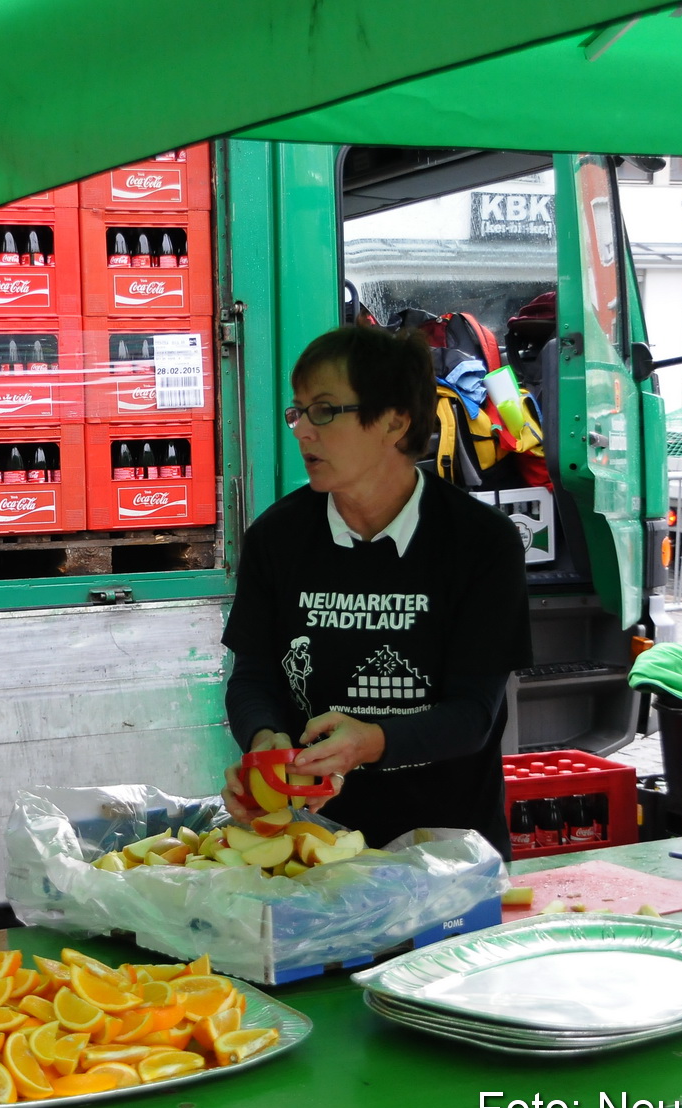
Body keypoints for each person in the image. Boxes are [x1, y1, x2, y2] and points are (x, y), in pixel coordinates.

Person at [221, 325, 532, 859]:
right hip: (312, 848)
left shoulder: (481, 542)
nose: (302, 431)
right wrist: (263, 739)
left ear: (394, 420)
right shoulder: (277, 538)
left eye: (323, 411)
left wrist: (371, 742)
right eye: (297, 412)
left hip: (448, 854)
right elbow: (253, 677)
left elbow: (474, 715)